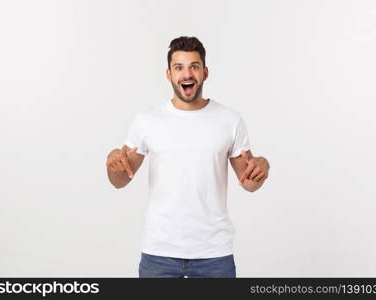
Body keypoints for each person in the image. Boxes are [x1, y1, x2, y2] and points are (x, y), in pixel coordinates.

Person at [106, 36, 270, 278]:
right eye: (179, 67)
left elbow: (248, 183)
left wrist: (262, 167)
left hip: (214, 254)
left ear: (205, 72)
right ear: (168, 74)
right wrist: (113, 162)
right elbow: (119, 181)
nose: (187, 74)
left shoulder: (229, 120)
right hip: (159, 251)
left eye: (194, 66)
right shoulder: (147, 120)